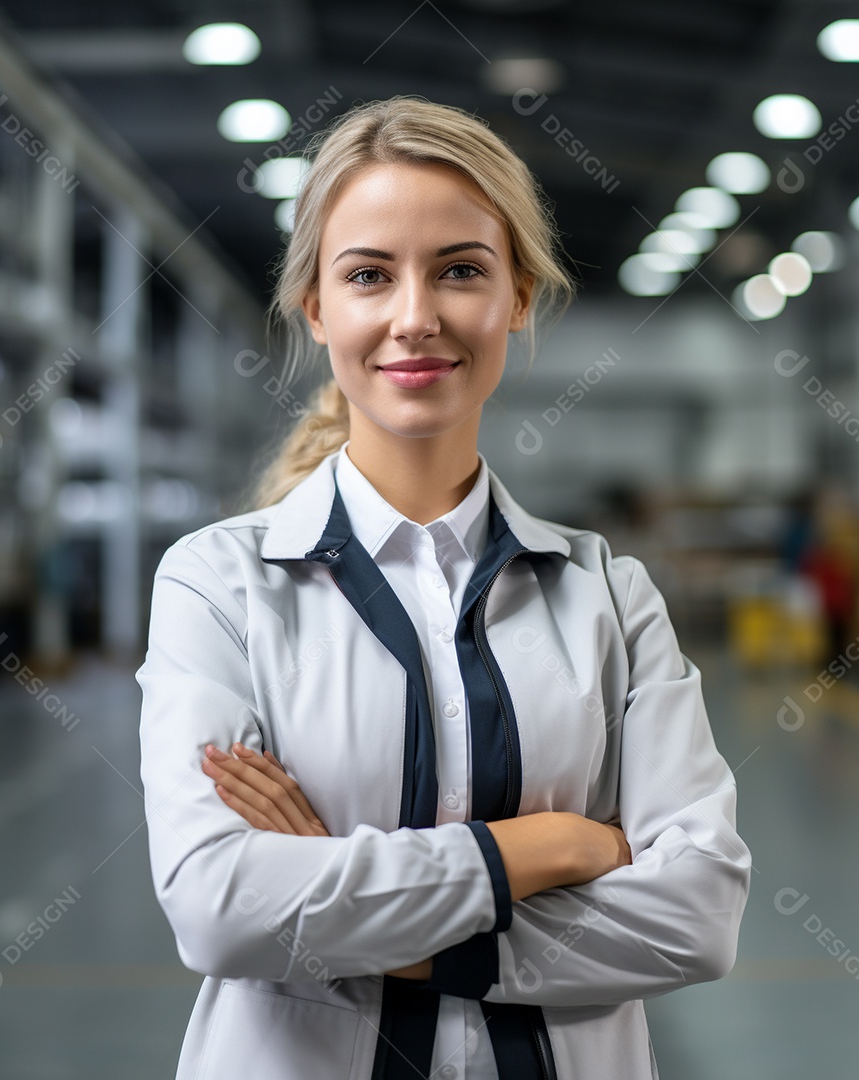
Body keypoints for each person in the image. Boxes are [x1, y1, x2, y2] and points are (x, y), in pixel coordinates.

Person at [136, 95, 751, 1080]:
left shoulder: (610, 596)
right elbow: (220, 909)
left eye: (460, 270)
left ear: (516, 297)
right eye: (370, 275)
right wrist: (546, 849)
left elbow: (697, 919)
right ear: (317, 309)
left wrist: (347, 908)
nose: (415, 317)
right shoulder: (218, 585)